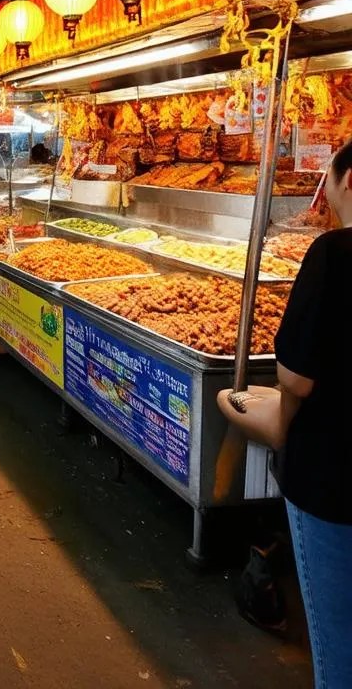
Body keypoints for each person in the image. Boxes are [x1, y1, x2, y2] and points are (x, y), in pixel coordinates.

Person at [217, 142, 352, 686]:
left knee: (338, 647)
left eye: (329, 183)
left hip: (333, 477)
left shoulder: (335, 252)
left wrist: (264, 413)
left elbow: (295, 377)